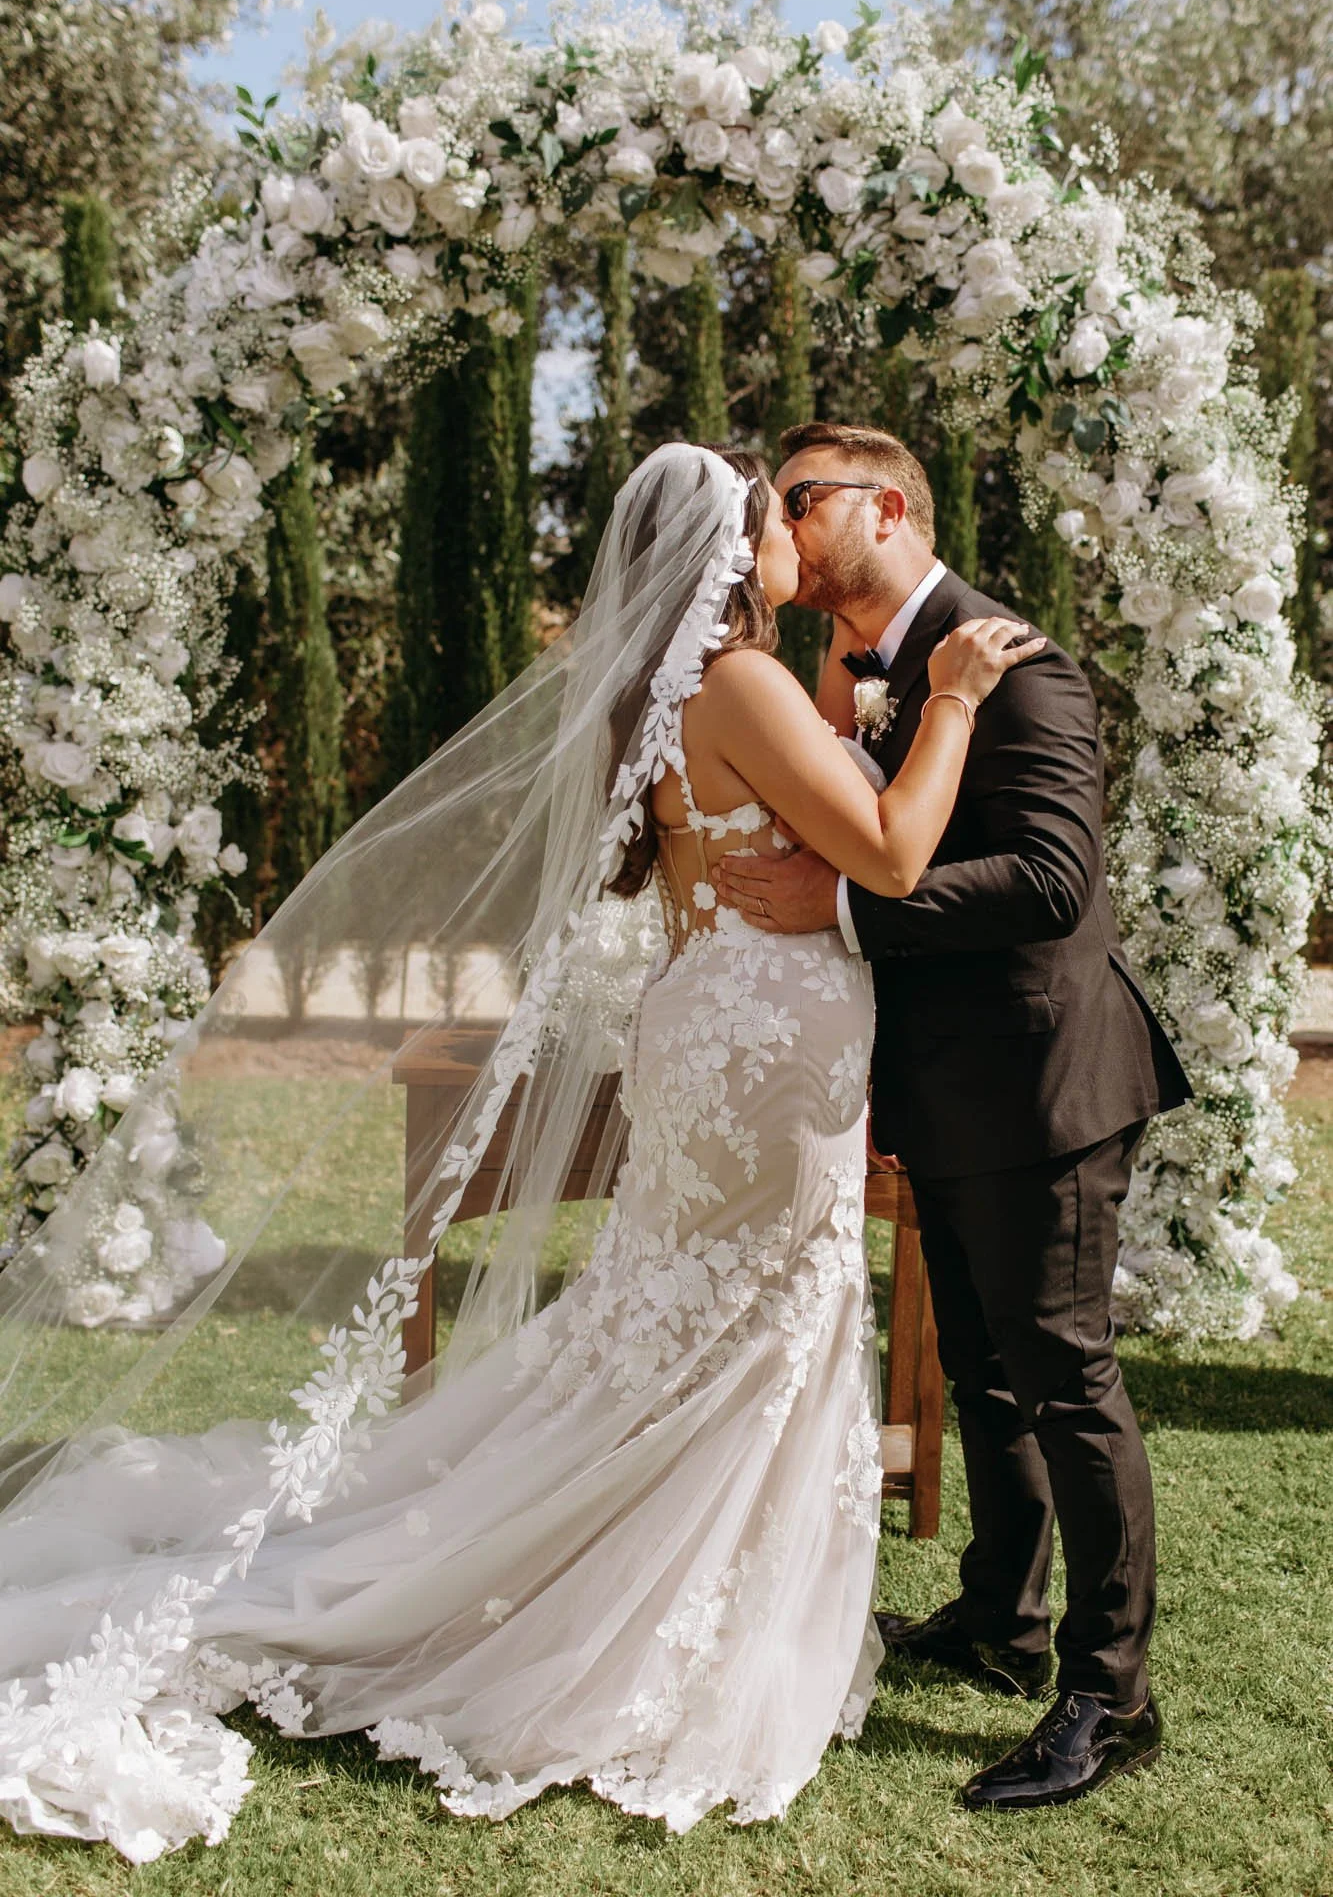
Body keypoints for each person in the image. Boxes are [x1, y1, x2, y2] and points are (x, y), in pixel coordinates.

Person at [0, 443, 1039, 1861]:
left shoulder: (674, 696)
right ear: (736, 552)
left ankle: (677, 1600)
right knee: (751, 1331)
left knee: (692, 1332)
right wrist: (955, 707)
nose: (796, 530)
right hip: (765, 1047)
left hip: (715, 1030)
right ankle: (659, 1632)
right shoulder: (738, 684)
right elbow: (897, 853)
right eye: (776, 511)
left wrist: (859, 726)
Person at [714, 421, 1192, 1812]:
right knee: (982, 1373)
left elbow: (1053, 881)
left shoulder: (1007, 660)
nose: (787, 526)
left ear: (892, 505)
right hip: (943, 1084)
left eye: (806, 500)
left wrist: (851, 905)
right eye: (777, 507)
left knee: (1065, 1377)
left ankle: (1111, 1697)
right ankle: (1001, 1618)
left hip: (1044, 1083)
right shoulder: (853, 672)